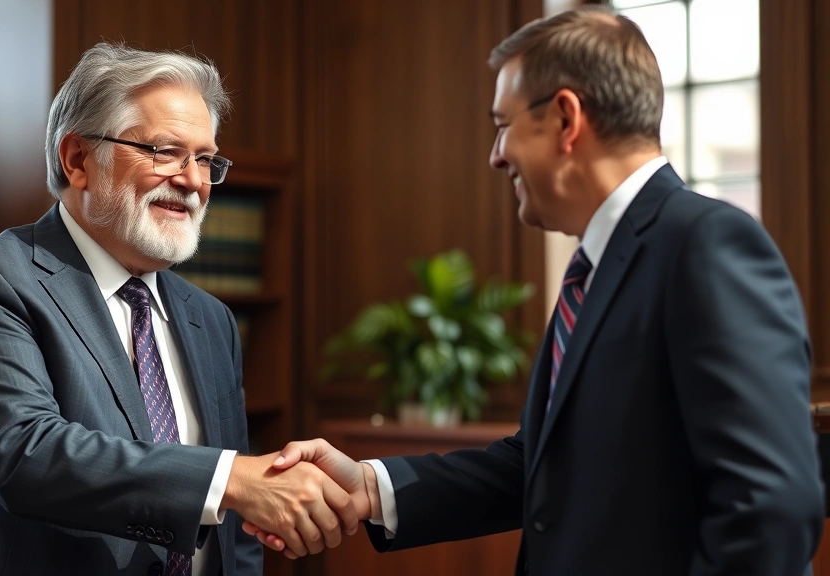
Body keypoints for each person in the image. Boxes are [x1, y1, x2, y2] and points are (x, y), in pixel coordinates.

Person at [247, 5, 825, 575]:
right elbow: (538, 465)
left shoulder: (708, 245)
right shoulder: (595, 268)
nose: (496, 156)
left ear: (566, 119)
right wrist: (370, 486)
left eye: (503, 126)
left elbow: (771, 506)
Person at [0, 43, 357, 576]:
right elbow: (24, 454)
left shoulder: (211, 319)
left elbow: (233, 537)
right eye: (165, 152)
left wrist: (239, 491)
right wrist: (230, 479)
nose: (193, 181)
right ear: (78, 160)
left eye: (205, 160)